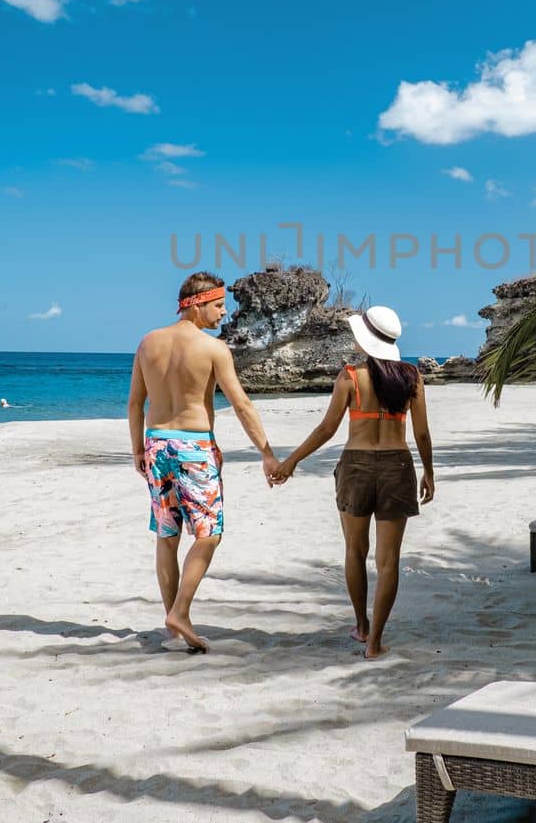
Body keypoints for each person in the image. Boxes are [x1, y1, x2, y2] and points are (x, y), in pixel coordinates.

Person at [128, 272, 279, 653]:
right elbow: (241, 404)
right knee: (208, 533)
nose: (223, 313)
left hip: (156, 446)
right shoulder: (214, 349)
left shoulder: (148, 343)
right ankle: (179, 612)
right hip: (193, 449)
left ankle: (174, 632)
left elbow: (135, 404)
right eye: (217, 305)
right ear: (196, 305)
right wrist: (266, 452)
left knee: (167, 535)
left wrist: (137, 451)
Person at [271, 305, 433, 659]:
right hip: (397, 465)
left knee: (355, 551)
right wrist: (429, 472)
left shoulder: (349, 376)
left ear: (365, 339)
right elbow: (420, 432)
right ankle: (375, 643)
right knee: (388, 560)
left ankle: (361, 626)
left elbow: (327, 429)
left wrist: (290, 461)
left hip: (356, 466)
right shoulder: (412, 377)